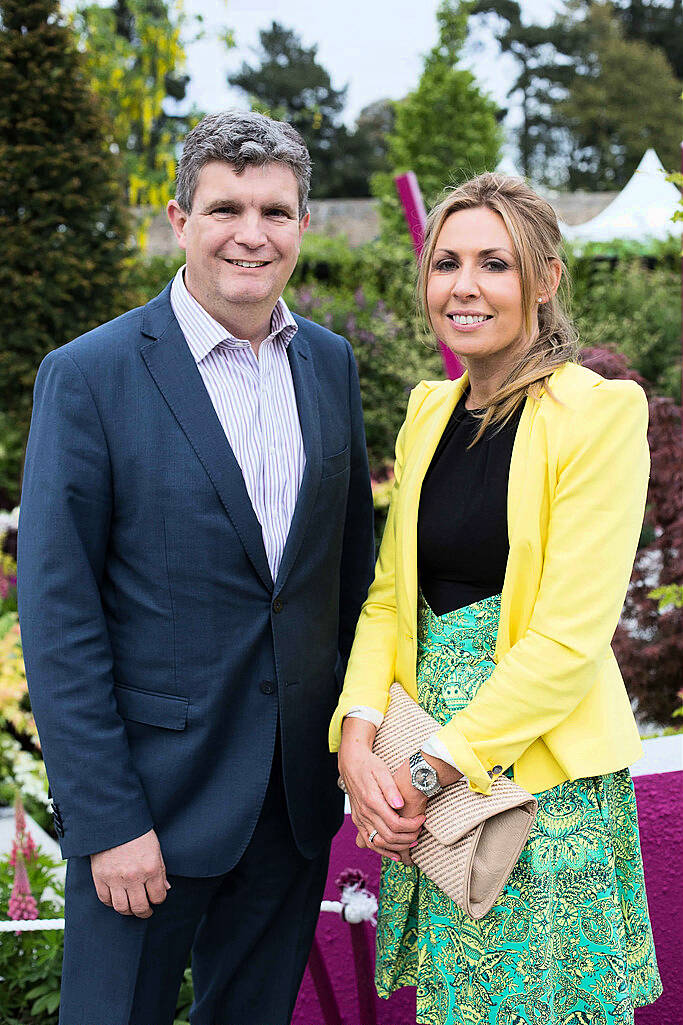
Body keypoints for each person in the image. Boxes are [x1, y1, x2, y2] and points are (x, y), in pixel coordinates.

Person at [17, 110, 375, 1025]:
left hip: (291, 811)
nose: (251, 234)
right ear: (179, 219)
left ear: (302, 224)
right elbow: (59, 619)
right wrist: (106, 823)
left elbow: (346, 586)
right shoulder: (89, 374)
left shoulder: (329, 365)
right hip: (149, 815)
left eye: (275, 210)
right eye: (225, 208)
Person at [330, 172, 662, 1024]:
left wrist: (418, 774)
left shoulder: (599, 414)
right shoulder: (426, 411)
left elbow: (566, 639)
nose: (463, 286)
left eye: (494, 264)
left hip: (536, 790)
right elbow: (388, 598)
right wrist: (357, 746)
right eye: (445, 263)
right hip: (429, 794)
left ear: (545, 280)